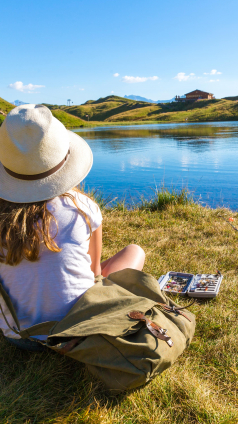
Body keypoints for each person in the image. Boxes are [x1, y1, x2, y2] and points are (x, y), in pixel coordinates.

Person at [0, 104, 145, 352]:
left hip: (19, 336)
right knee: (135, 251)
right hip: (78, 331)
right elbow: (95, 271)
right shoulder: (82, 207)